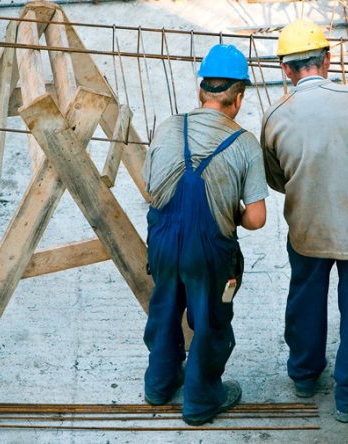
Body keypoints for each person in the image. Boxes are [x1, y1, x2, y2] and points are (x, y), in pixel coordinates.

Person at [260, 19, 348, 423]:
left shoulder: (275, 115)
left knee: (305, 299)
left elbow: (277, 180)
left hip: (307, 228)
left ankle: (305, 376)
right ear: (328, 58)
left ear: (286, 69)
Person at [142, 44, 268, 426]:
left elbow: (151, 186)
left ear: (200, 92)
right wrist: (232, 211)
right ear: (239, 98)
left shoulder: (167, 127)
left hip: (163, 242)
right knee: (211, 321)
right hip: (210, 252)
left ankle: (158, 386)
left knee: (164, 310)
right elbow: (258, 219)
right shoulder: (244, 143)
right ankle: (200, 400)